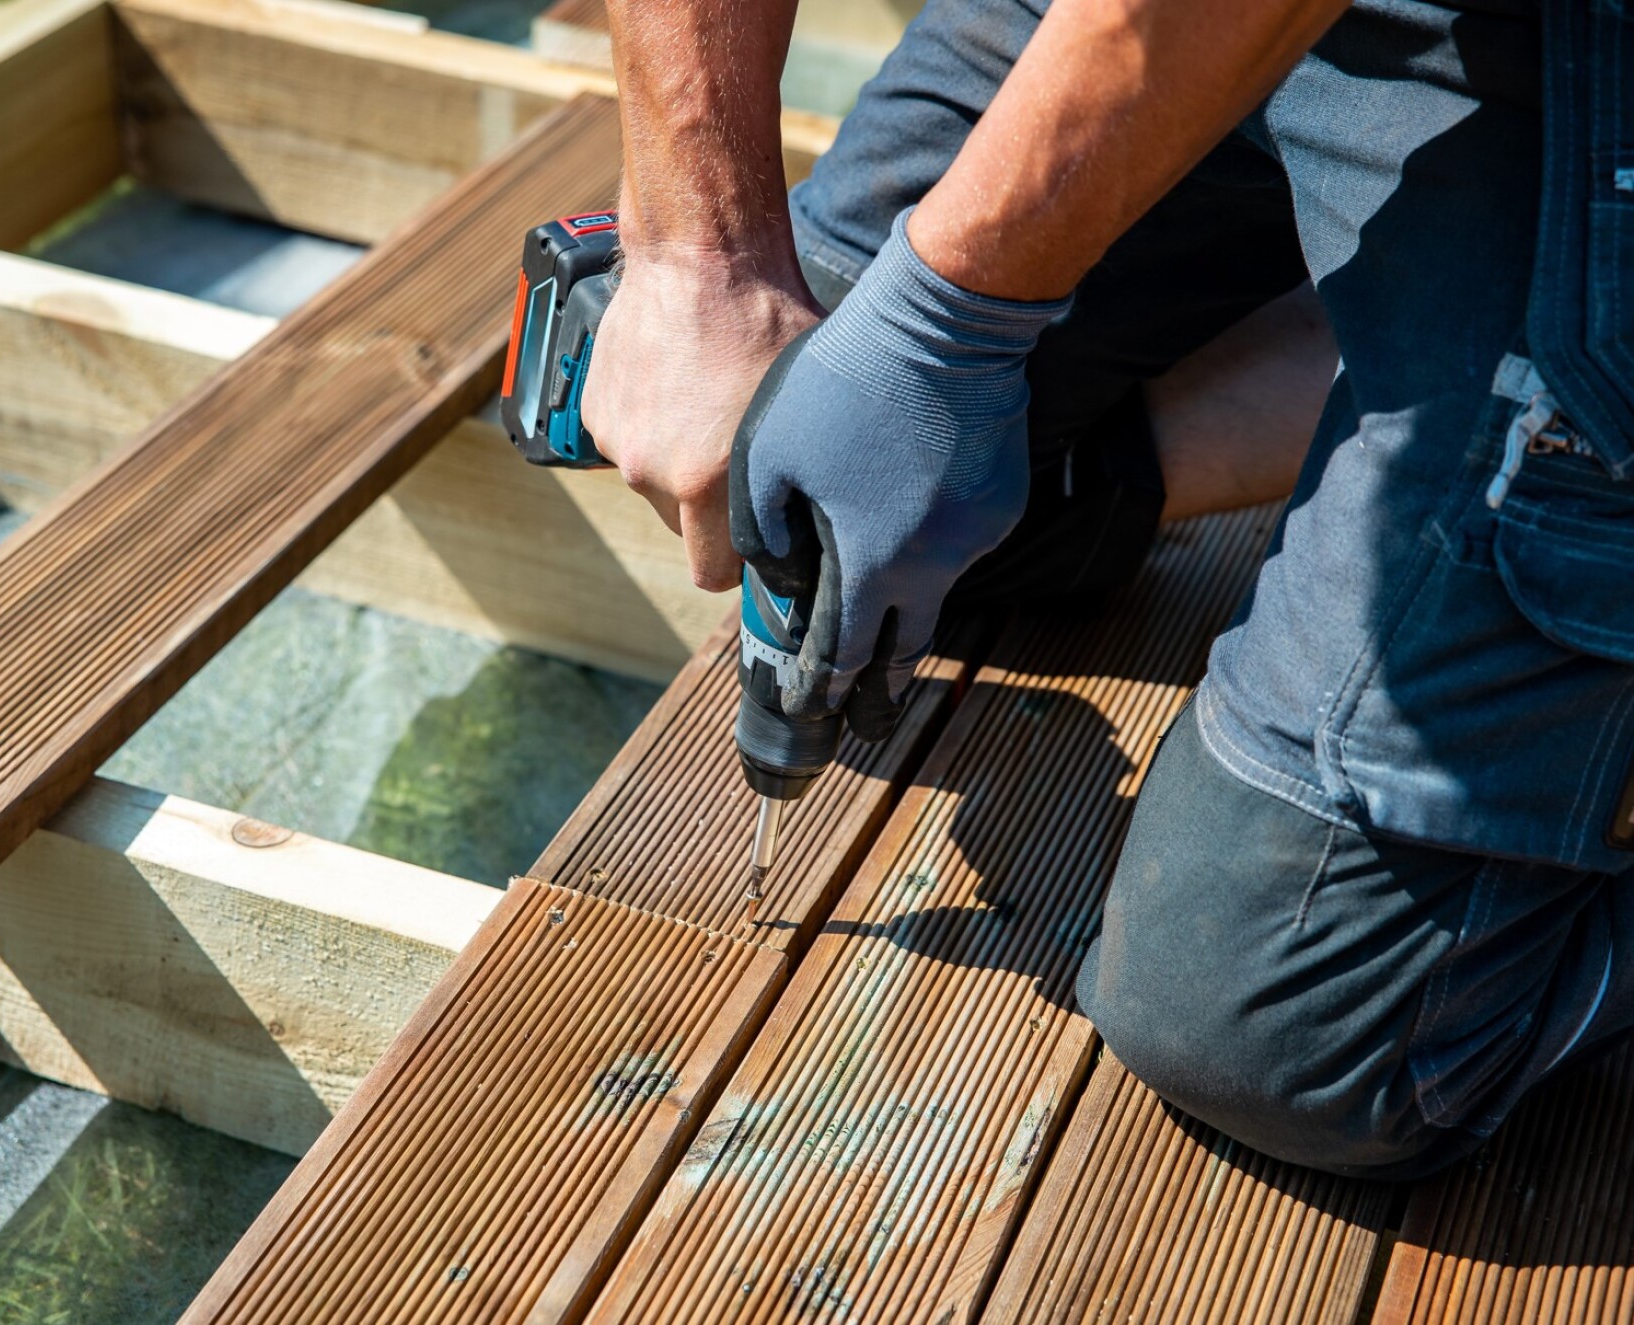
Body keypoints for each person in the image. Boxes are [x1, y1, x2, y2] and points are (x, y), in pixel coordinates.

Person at [579, 0, 1634, 1180]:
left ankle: (1451, 402)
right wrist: (697, 257)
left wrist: (944, 325)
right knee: (816, 452)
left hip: (1581, 86)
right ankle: (1376, 384)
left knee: (1278, 1024)